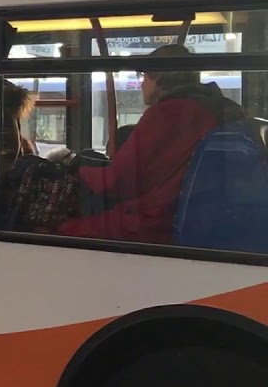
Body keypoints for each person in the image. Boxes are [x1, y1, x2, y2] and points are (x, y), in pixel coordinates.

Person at [58, 44, 244, 244]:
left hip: (158, 221)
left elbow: (118, 180)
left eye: (144, 76)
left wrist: (77, 169)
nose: (141, 84)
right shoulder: (218, 109)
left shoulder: (168, 114)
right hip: (201, 215)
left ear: (159, 77)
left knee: (56, 227)